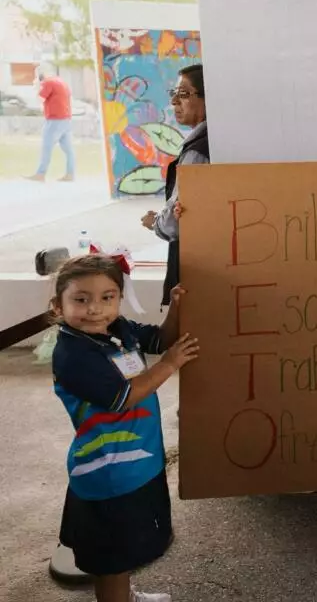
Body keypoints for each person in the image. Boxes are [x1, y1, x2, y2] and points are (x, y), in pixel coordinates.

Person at [50, 253, 200, 602]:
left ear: (119, 297)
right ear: (58, 306)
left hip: (137, 462)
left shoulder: (117, 330)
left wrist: (176, 306)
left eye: (107, 297)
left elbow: (161, 339)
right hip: (108, 474)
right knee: (112, 560)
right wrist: (169, 365)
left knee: (124, 549)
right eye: (81, 299)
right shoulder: (73, 355)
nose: (95, 309)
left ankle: (126, 596)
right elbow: (123, 397)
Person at [141, 64, 210, 307]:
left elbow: (177, 222)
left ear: (208, 97)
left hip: (198, 268)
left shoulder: (198, 153)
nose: (173, 102)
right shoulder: (219, 141)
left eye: (183, 94)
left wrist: (155, 222)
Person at [26, 64, 76, 182]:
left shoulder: (47, 83)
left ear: (41, 75)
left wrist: (37, 87)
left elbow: (40, 99)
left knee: (46, 147)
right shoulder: (61, 82)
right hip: (66, 120)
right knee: (69, 150)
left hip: (54, 120)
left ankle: (40, 174)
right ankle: (70, 174)